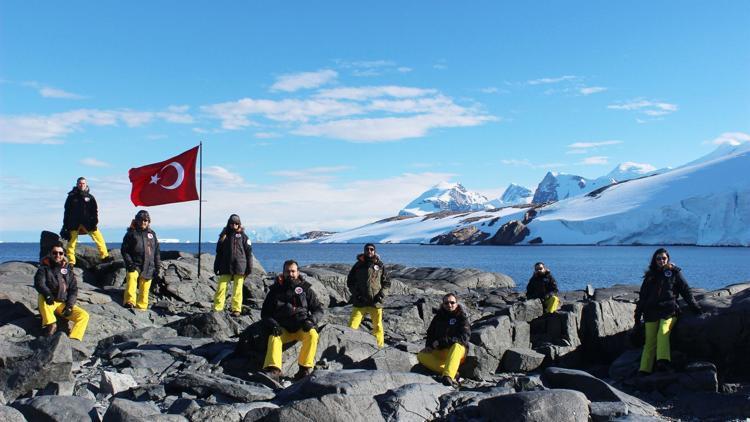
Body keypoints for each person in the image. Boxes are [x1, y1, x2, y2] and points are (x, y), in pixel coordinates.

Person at [634, 248, 704, 374]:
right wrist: (637, 316)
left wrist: (694, 306)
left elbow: (685, 290)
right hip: (651, 312)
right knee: (649, 341)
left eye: (663, 258)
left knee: (663, 332)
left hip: (669, 310)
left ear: (668, 259)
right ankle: (644, 369)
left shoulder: (674, 273)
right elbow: (643, 297)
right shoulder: (650, 276)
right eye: (658, 258)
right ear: (654, 260)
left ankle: (663, 362)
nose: (661, 261)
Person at [260, 260, 324, 381]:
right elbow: (265, 313)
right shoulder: (275, 291)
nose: (290, 274)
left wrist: (311, 320)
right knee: (274, 338)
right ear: (283, 273)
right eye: (287, 271)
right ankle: (274, 370)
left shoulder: (306, 290)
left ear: (298, 272)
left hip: (302, 326)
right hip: (282, 328)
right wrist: (273, 325)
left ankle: (304, 369)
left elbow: (318, 309)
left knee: (312, 335)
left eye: (293, 271)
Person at [34, 241, 89, 340]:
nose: (57, 255)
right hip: (49, 302)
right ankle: (51, 325)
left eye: (60, 253)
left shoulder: (68, 270)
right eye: (55, 253)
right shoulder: (44, 269)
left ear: (64, 255)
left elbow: (73, 289)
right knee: (41, 296)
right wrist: (48, 295)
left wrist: (69, 306)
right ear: (50, 254)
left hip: (62, 304)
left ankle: (74, 339)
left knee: (83, 316)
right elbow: (39, 284)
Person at [417, 293, 471, 387]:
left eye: (452, 302)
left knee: (457, 346)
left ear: (456, 304)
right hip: (441, 351)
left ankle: (448, 376)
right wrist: (429, 346)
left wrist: (442, 341)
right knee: (421, 355)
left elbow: (464, 338)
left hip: (457, 352)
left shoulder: (461, 318)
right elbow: (430, 333)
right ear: (443, 304)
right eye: (446, 303)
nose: (449, 305)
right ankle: (453, 372)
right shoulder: (438, 317)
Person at [346, 243, 390, 347]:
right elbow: (350, 282)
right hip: (360, 301)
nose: (369, 251)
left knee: (378, 326)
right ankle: (348, 345)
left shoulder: (380, 265)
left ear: (374, 251)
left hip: (375, 301)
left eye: (372, 249)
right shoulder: (358, 265)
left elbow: (387, 283)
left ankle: (379, 347)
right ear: (364, 251)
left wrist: (381, 295)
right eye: (367, 249)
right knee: (352, 325)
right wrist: (356, 295)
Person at [61, 177, 111, 265]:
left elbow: (94, 211)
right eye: (80, 183)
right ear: (77, 184)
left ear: (86, 185)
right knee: (71, 243)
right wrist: (65, 226)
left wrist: (94, 222)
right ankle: (72, 262)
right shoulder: (71, 197)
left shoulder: (90, 197)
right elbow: (67, 211)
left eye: (83, 183)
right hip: (73, 223)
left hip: (88, 223)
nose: (81, 185)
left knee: (99, 239)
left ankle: (105, 257)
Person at [213, 214, 253, 317]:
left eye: (236, 223)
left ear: (239, 224)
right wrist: (216, 266)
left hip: (240, 266)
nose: (234, 225)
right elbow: (219, 252)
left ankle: (236, 309)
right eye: (232, 223)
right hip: (225, 265)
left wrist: (249, 268)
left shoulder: (244, 237)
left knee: (238, 289)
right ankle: (217, 308)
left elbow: (249, 253)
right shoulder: (223, 236)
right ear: (229, 223)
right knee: (221, 287)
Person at [121, 210, 161, 310]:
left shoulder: (152, 234)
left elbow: (156, 252)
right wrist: (129, 263)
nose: (144, 222)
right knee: (131, 277)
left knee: (145, 287)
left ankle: (142, 307)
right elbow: (124, 250)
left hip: (149, 265)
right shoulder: (131, 233)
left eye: (146, 220)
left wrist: (157, 267)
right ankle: (129, 302)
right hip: (135, 264)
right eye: (141, 220)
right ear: (137, 220)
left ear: (148, 222)